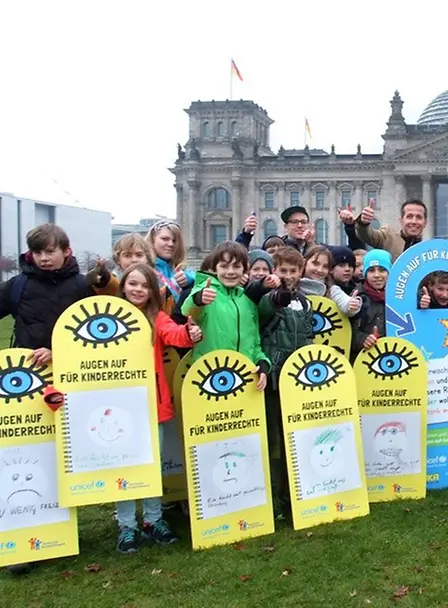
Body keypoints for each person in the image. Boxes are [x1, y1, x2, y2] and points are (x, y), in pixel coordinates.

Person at [0, 224, 92, 574]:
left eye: (50, 251)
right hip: (27, 385)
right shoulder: (18, 286)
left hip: (71, 382)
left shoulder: (81, 286)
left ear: (66, 251)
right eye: (38, 252)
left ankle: (56, 533)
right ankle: (22, 542)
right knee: (25, 457)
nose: (44, 257)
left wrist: (58, 351)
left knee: (62, 456)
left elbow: (94, 330)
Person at [113, 264, 201, 553]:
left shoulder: (157, 317)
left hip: (154, 403)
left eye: (144, 285)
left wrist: (189, 333)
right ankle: (127, 524)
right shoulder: (109, 317)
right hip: (120, 408)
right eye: (132, 284)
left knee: (153, 466)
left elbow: (175, 334)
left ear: (152, 290)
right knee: (125, 466)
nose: (138, 290)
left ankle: (153, 519)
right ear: (123, 285)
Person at [258, 247, 314, 519]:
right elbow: (267, 308)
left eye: (293, 271)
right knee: (272, 441)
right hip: (272, 379)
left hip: (297, 380)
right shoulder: (268, 298)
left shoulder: (306, 303)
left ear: (300, 272)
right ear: (274, 271)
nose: (289, 276)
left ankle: (295, 496)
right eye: (283, 271)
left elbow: (307, 337)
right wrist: (276, 295)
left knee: (294, 438)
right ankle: (273, 498)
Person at [181, 241, 271, 389]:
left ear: (245, 270)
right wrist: (198, 299)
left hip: (243, 380)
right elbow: (189, 311)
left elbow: (254, 343)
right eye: (224, 266)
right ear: (215, 268)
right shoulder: (206, 291)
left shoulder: (247, 300)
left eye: (236, 266)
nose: (230, 272)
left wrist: (262, 363)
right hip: (208, 379)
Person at [350, 199, 426, 263]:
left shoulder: (430, 249)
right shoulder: (388, 237)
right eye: (409, 217)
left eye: (419, 217)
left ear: (425, 223)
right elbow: (369, 236)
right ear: (401, 220)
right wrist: (363, 223)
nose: (414, 221)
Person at [145, 220, 195, 316]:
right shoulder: (144, 268)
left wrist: (188, 279)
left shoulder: (181, 269)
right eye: (165, 239)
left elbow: (202, 279)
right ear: (152, 240)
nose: (171, 244)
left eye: (174, 240)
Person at [351, 249, 392, 361]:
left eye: (382, 270)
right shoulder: (357, 297)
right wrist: (362, 339)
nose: (377, 275)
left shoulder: (398, 296)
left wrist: (422, 302)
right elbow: (347, 331)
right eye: (371, 271)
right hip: (364, 360)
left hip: (392, 357)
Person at [87, 233, 156, 296]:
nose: (134, 260)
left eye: (139, 255)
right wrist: (104, 278)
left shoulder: (157, 280)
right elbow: (113, 287)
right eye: (127, 255)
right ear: (118, 259)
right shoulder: (114, 280)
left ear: (147, 258)